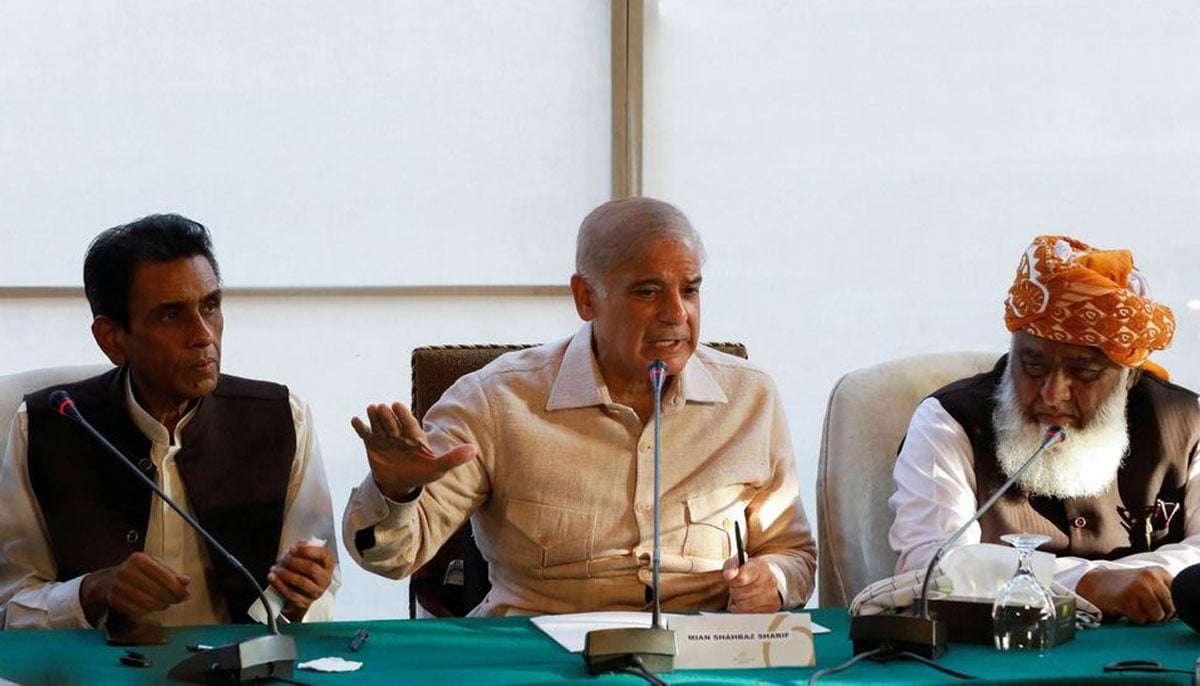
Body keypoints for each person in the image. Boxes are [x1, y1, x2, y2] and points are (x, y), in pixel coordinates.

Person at [343, 197, 816, 616]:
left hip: (699, 658)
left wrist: (770, 582)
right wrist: (395, 491)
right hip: (541, 657)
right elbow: (392, 558)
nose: (676, 314)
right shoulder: (494, 401)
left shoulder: (750, 398)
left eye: (689, 289)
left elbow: (793, 554)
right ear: (586, 297)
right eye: (648, 291)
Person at [0, 214, 338, 630]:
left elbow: (319, 591)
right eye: (170, 315)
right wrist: (91, 591)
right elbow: (10, 608)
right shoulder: (48, 427)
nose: (203, 336)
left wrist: (299, 598)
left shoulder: (282, 418)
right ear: (113, 338)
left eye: (210, 306)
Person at [890, 234, 1199, 624]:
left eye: (1082, 371)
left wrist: (1138, 578)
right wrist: (1089, 584)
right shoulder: (949, 423)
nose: (1053, 394)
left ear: (1128, 376)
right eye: (1032, 366)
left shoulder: (1185, 421)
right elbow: (929, 568)